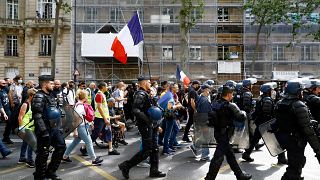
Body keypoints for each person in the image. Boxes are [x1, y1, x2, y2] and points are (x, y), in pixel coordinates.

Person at [118, 76, 166, 179]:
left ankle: (154, 171)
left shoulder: (147, 93)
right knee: (147, 150)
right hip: (145, 125)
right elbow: (136, 110)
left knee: (155, 148)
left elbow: (153, 108)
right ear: (143, 83)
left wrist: (153, 98)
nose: (150, 83)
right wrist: (148, 121)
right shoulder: (140, 94)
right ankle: (126, 165)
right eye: (149, 82)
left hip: (151, 125)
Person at [275, 80, 320, 180]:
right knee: (295, 167)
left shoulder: (280, 103)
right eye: (301, 91)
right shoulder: (298, 105)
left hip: (285, 139)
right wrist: (317, 149)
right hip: (296, 141)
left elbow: (279, 122)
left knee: (296, 163)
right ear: (297, 92)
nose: (302, 93)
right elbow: (308, 131)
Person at [205, 86, 252, 180]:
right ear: (228, 94)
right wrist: (243, 112)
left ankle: (240, 175)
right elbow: (241, 117)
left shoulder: (215, 104)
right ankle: (209, 178)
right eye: (232, 94)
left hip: (218, 133)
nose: (233, 95)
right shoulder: (230, 105)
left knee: (230, 156)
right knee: (218, 158)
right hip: (224, 134)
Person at [242, 83, 287, 164]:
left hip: (261, 123)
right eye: (271, 90)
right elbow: (267, 113)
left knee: (255, 139)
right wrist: (271, 125)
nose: (273, 91)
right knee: (275, 140)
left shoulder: (261, 98)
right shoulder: (267, 100)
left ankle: (246, 154)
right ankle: (281, 158)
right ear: (268, 91)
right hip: (266, 124)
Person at [32, 75, 66, 180]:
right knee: (43, 153)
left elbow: (56, 110)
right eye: (51, 83)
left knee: (61, 146)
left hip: (54, 128)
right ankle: (40, 176)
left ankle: (51, 171)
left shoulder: (51, 95)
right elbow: (37, 115)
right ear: (45, 84)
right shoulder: (39, 96)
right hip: (45, 129)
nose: (53, 85)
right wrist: (43, 131)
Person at [62, 90, 103, 165]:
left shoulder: (79, 104)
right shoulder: (80, 106)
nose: (88, 97)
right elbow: (75, 119)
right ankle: (94, 160)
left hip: (82, 126)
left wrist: (90, 123)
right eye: (87, 96)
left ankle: (64, 156)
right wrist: (75, 131)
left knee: (75, 142)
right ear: (84, 97)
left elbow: (81, 117)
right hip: (81, 127)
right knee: (89, 142)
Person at [90, 82, 119, 155]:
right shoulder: (99, 95)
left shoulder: (102, 94)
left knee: (109, 132)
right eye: (106, 86)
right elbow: (99, 108)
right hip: (100, 118)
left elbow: (104, 108)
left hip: (105, 118)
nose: (107, 87)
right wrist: (105, 118)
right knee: (95, 134)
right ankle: (84, 147)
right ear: (102, 87)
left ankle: (110, 149)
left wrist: (107, 118)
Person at [189, 84, 211, 161]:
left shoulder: (200, 97)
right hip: (204, 121)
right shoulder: (204, 100)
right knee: (206, 138)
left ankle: (195, 146)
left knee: (203, 136)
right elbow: (205, 113)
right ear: (205, 90)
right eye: (208, 89)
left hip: (200, 120)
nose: (209, 91)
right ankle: (205, 155)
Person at [17, 88, 37, 168]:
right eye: (35, 96)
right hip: (26, 127)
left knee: (25, 142)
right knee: (32, 143)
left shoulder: (33, 103)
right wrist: (21, 128)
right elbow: (20, 117)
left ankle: (22, 158)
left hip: (31, 126)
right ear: (30, 95)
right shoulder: (25, 104)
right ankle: (29, 160)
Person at [0, 80, 13, 144]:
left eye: (5, 83)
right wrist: (4, 113)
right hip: (3, 110)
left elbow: (8, 90)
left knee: (10, 123)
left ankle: (6, 137)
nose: (4, 84)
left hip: (7, 109)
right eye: (3, 83)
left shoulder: (4, 90)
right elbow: (0, 105)